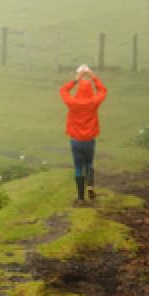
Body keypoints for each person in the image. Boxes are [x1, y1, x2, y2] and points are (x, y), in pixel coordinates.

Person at [60, 64, 107, 203]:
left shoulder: (73, 102)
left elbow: (63, 90)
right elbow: (103, 90)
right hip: (89, 140)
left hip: (75, 140)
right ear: (89, 91)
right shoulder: (93, 102)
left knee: (78, 167)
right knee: (89, 163)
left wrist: (76, 79)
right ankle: (90, 186)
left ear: (79, 90)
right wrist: (92, 75)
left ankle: (80, 198)